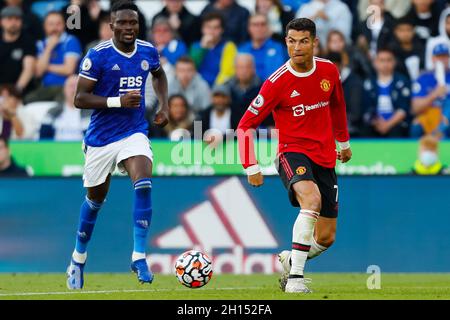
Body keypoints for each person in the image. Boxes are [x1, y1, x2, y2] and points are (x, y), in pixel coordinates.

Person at [237, 18, 351, 293]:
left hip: (325, 156)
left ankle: (291, 259)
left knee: (326, 237)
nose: (296, 47)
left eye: (303, 41)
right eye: (291, 41)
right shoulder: (277, 83)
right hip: (292, 152)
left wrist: (343, 142)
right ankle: (295, 281)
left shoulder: (328, 71)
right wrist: (250, 165)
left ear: (314, 43)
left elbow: (337, 106)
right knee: (311, 200)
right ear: (285, 42)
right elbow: (244, 126)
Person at [65, 1, 169, 290]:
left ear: (138, 25)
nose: (128, 28)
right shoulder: (97, 56)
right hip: (100, 139)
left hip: (133, 131)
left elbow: (159, 74)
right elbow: (79, 99)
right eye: (122, 23)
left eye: (132, 23)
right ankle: (78, 258)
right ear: (111, 26)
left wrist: (164, 105)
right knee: (95, 200)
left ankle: (138, 255)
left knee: (144, 181)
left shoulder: (148, 51)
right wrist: (117, 102)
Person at [25, 11, 82, 104]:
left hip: (66, 87)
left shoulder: (70, 41)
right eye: (51, 24)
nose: (54, 28)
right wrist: (48, 48)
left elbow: (68, 69)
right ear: (44, 26)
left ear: (64, 25)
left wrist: (46, 67)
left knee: (60, 102)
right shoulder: (41, 44)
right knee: (28, 100)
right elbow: (38, 72)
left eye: (58, 24)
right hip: (45, 88)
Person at [362, 47, 410, 137]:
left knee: (397, 131)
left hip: (396, 123)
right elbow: (367, 108)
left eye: (389, 60)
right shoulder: (369, 83)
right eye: (382, 60)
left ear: (394, 62)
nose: (385, 64)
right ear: (375, 63)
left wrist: (387, 124)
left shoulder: (402, 81)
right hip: (375, 124)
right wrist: (377, 122)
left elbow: (403, 109)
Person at [411, 43, 450, 138]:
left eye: (444, 57)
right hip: (429, 112)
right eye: (438, 57)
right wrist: (434, 94)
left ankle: (436, 135)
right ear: (433, 59)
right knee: (416, 126)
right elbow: (415, 108)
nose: (442, 60)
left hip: (447, 114)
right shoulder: (423, 78)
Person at [189, 12, 237, 87]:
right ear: (202, 29)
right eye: (208, 27)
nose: (212, 31)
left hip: (219, 88)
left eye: (216, 28)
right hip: (198, 86)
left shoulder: (228, 46)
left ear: (222, 30)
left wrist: (214, 89)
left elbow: (227, 73)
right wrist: (202, 48)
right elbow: (190, 69)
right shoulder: (196, 47)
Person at [39, 75, 92, 140]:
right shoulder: (52, 112)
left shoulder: (91, 113)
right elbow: (43, 138)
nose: (74, 89)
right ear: (64, 90)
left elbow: (94, 139)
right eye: (70, 86)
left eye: (77, 86)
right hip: (56, 148)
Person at [238, 14, 288, 81]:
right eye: (255, 25)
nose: (259, 28)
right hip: (249, 89)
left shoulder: (279, 48)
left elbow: (280, 75)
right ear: (249, 28)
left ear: (268, 27)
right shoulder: (242, 50)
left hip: (271, 88)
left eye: (263, 24)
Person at [0, 6, 36, 95]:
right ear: (1, 22)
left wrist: (15, 92)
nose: (13, 22)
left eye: (17, 19)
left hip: (22, 91)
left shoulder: (28, 41)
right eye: (9, 19)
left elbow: (29, 69)